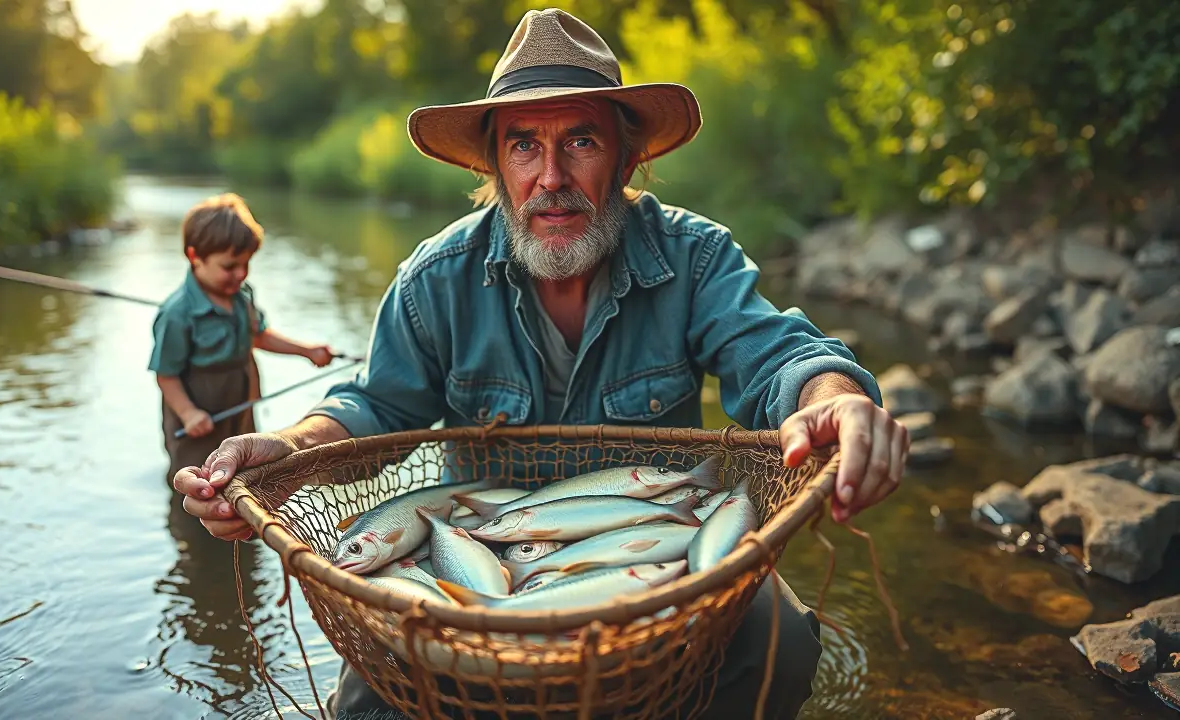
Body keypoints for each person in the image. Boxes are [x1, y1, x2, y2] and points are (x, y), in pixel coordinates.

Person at [172, 9, 909, 719]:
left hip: (660, 569)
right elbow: (374, 407)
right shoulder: (434, 280)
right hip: (477, 559)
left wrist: (835, 399)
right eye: (524, 145)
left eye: (581, 141)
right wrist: (289, 447)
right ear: (495, 165)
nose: (551, 176)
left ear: (627, 157)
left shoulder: (695, 258)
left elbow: (783, 357)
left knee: (782, 642)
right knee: (369, 704)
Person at [149, 192, 335, 485]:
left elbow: (259, 336)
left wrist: (306, 351)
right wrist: (188, 413)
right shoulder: (176, 314)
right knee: (196, 481)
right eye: (229, 266)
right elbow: (166, 375)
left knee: (244, 470)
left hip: (240, 404)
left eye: (246, 264)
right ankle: (184, 514)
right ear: (195, 257)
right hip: (198, 415)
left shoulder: (242, 296)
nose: (240, 274)